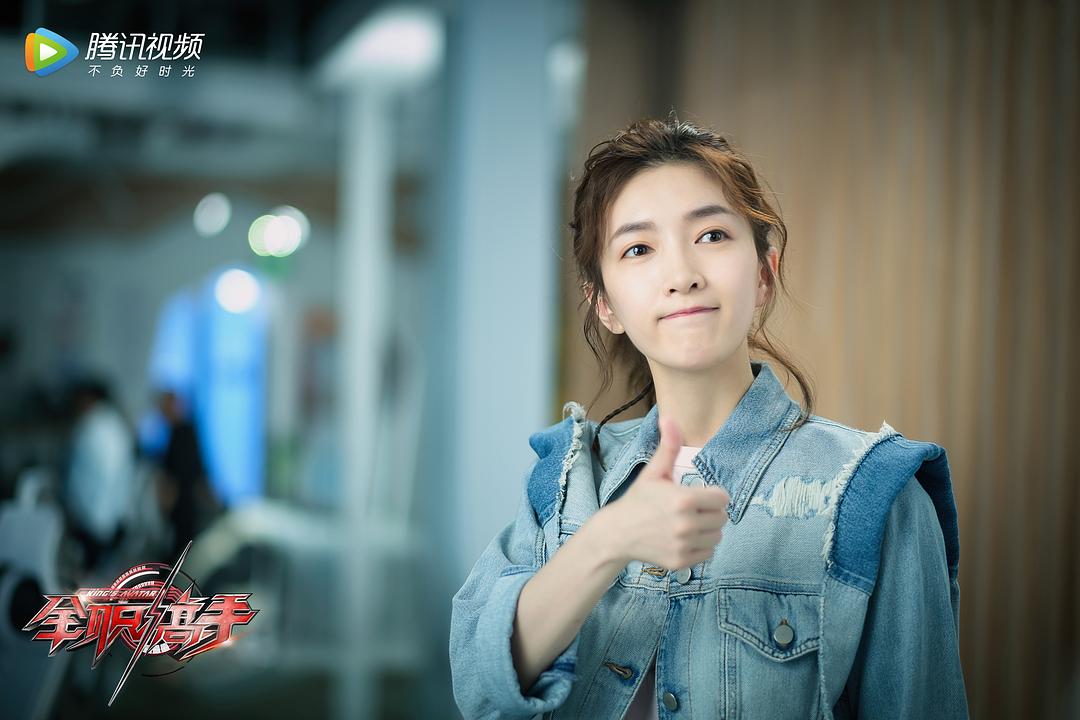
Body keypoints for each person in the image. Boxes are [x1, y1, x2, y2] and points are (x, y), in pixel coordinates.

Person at [449, 117, 968, 719]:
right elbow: (480, 689)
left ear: (765, 273)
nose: (682, 276)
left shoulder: (876, 496)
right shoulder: (564, 481)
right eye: (638, 249)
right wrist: (607, 542)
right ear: (604, 303)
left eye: (713, 235)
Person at [64, 377, 135, 572]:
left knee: (91, 576)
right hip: (115, 516)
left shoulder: (91, 426)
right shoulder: (115, 423)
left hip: (94, 518)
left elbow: (83, 478)